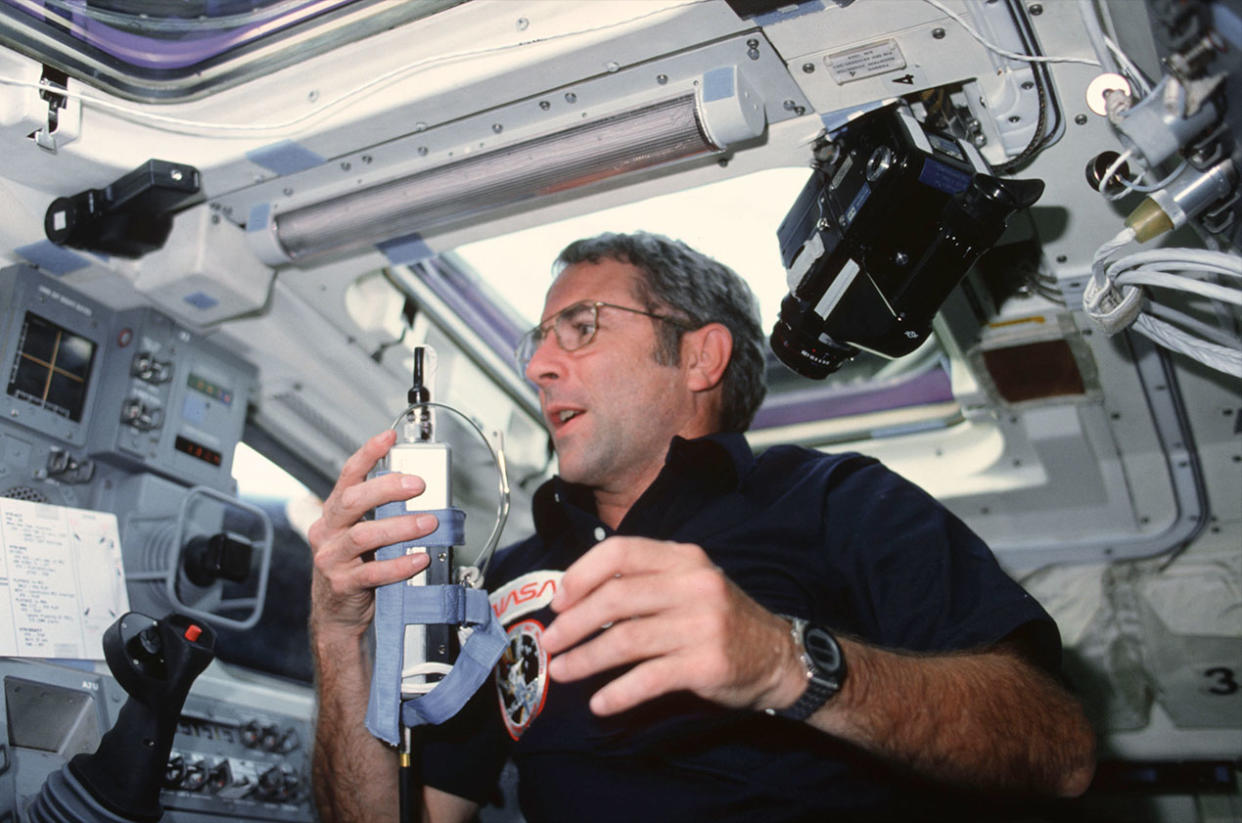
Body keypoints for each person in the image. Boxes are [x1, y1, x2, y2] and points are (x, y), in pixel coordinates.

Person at [308, 232, 1096, 822]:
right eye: (537, 340)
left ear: (699, 356)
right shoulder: (509, 577)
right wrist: (340, 640)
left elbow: (1059, 751)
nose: (539, 366)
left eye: (580, 326)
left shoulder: (835, 502)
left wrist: (789, 664)